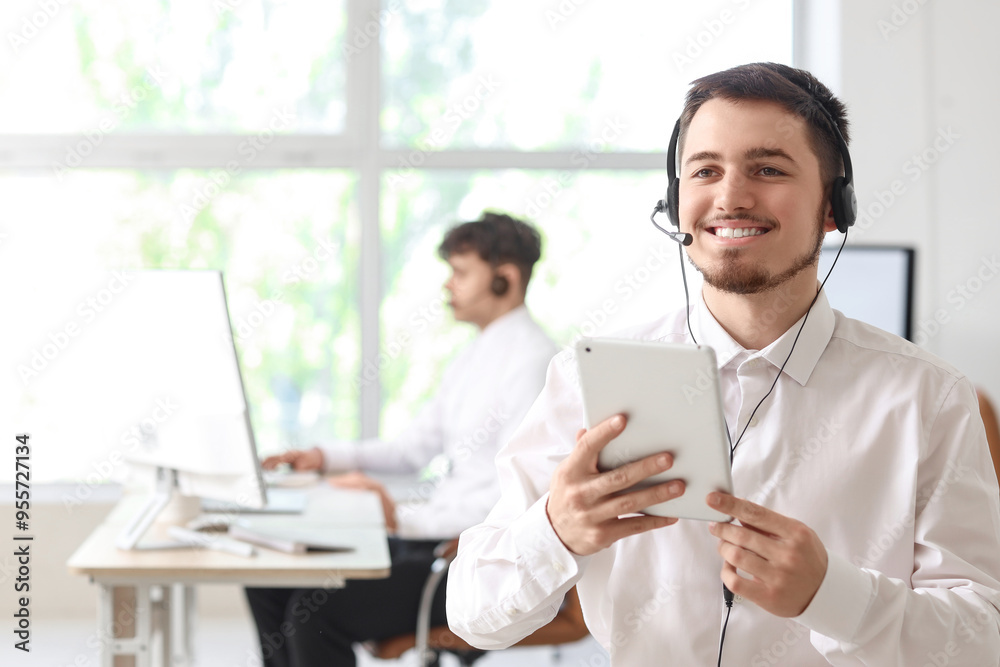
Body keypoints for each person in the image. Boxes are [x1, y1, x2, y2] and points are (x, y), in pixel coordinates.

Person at [446, 63, 1000, 665]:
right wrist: (554, 530)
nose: (731, 197)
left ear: (834, 205)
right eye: (705, 170)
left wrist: (834, 596)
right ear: (675, 200)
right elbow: (473, 616)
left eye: (768, 169)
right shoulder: (585, 379)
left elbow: (981, 640)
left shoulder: (929, 398)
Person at [246, 211, 557, 667]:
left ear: (504, 279)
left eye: (461, 273)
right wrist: (323, 456)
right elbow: (411, 449)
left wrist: (400, 517)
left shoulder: (533, 361)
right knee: (269, 579)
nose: (448, 285)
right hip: (425, 534)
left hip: (463, 552)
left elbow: (515, 496)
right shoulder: (474, 354)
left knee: (316, 611)